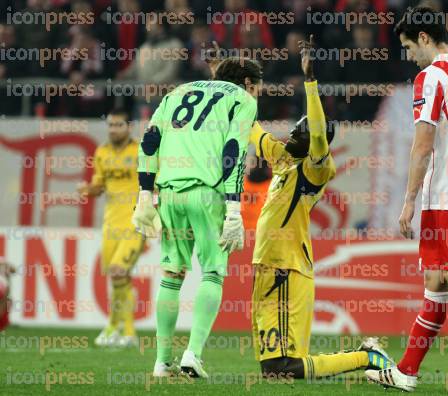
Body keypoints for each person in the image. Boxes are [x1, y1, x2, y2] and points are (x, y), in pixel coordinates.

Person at [365, 7, 448, 396]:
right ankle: (407, 371)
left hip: (447, 195)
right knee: (436, 282)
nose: (409, 57)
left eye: (409, 47)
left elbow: (423, 145)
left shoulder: (432, 77)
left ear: (424, 38)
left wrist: (408, 200)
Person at [249, 35, 393, 379]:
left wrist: (310, 83)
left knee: (284, 368)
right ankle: (366, 356)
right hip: (267, 266)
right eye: (297, 126)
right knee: (275, 370)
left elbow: (315, 131)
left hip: (288, 267)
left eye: (304, 128)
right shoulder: (283, 160)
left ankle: (366, 358)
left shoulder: (315, 169)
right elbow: (250, 127)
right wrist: (226, 86)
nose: (296, 129)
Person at [133, 57, 261, 378]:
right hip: (209, 192)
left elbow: (149, 140)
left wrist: (144, 195)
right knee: (213, 272)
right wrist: (234, 208)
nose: (257, 94)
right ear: (247, 83)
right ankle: (193, 354)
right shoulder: (241, 99)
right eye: (257, 88)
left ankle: (161, 362)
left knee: (172, 273)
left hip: (169, 191)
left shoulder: (176, 93)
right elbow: (234, 150)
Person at [78, 108, 144, 348]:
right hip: (111, 224)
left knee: (118, 271)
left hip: (135, 223)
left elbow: (154, 184)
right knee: (118, 279)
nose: (113, 130)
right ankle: (114, 328)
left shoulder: (140, 151)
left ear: (129, 127)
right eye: (110, 125)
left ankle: (127, 331)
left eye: (118, 125)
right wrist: (87, 189)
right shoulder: (102, 152)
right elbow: (99, 186)